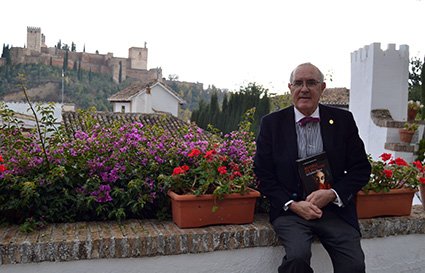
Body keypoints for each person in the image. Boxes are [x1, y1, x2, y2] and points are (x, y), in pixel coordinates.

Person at [254, 63, 371, 273]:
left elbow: (361, 169)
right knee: (297, 258)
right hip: (291, 212)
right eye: (298, 83)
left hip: (335, 211)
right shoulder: (272, 124)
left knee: (353, 265)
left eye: (311, 83)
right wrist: (293, 204)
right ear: (290, 88)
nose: (304, 89)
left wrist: (332, 194)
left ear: (322, 87)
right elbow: (262, 174)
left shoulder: (343, 120)